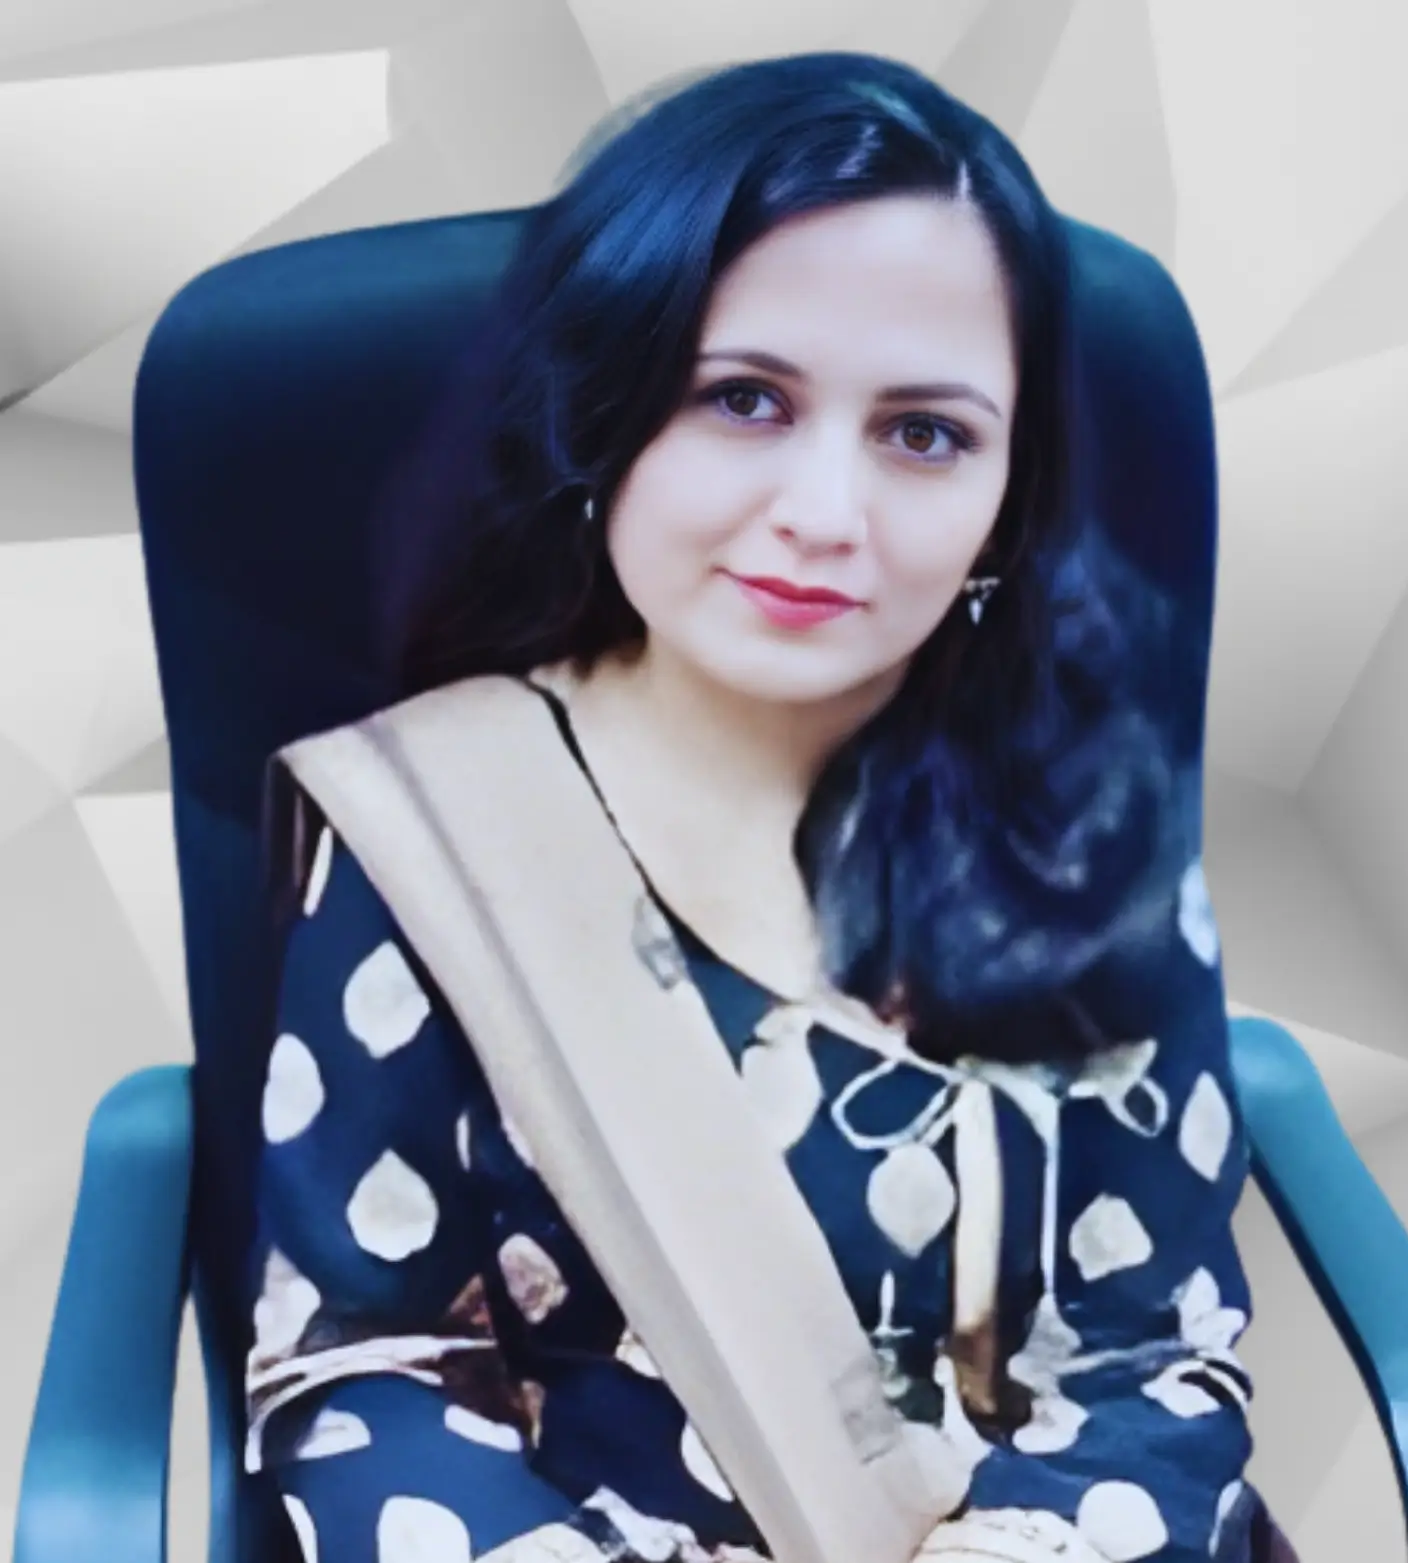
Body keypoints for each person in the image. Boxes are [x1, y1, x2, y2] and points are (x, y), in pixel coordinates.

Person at [243, 50, 1296, 1563]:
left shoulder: (1091, 838)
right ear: (604, 412)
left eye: (924, 434)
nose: (823, 514)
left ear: (1008, 490)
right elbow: (368, 1371)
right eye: (742, 400)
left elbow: (1157, 1353)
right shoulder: (426, 832)